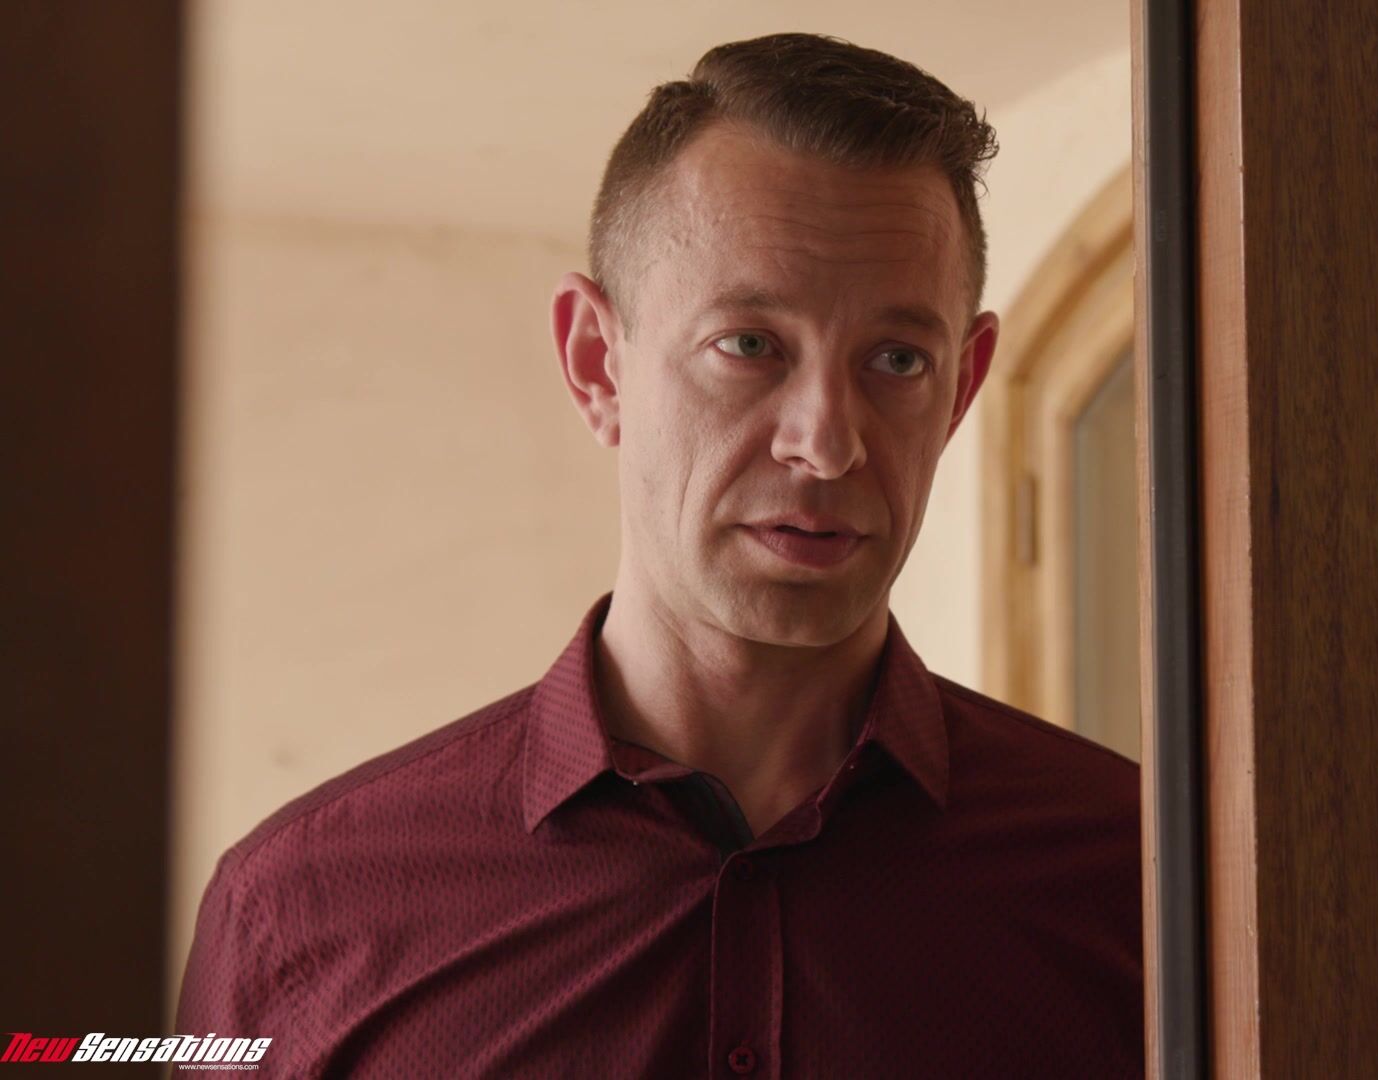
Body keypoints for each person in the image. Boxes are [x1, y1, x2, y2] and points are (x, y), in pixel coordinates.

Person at [175, 32, 1140, 1078]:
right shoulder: (300, 912)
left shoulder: (1139, 880)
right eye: (750, 345)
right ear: (598, 364)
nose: (826, 443)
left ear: (960, 389)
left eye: (897, 360)